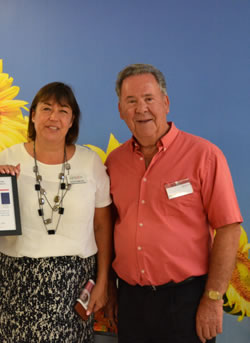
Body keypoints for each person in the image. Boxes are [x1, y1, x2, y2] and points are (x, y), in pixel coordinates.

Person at [106, 63, 242, 343]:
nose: (140, 108)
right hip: (131, 302)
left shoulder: (204, 156)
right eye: (131, 101)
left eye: (148, 99)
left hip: (186, 302)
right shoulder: (114, 163)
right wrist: (109, 287)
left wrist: (213, 298)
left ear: (165, 103)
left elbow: (229, 229)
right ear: (120, 110)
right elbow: (107, 228)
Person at [0, 82, 113, 342]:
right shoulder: (7, 159)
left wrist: (103, 280)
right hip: (15, 281)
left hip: (74, 282)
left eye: (63, 111)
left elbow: (102, 227)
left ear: (72, 121)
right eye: (46, 109)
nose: (53, 117)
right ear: (33, 115)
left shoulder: (90, 162)